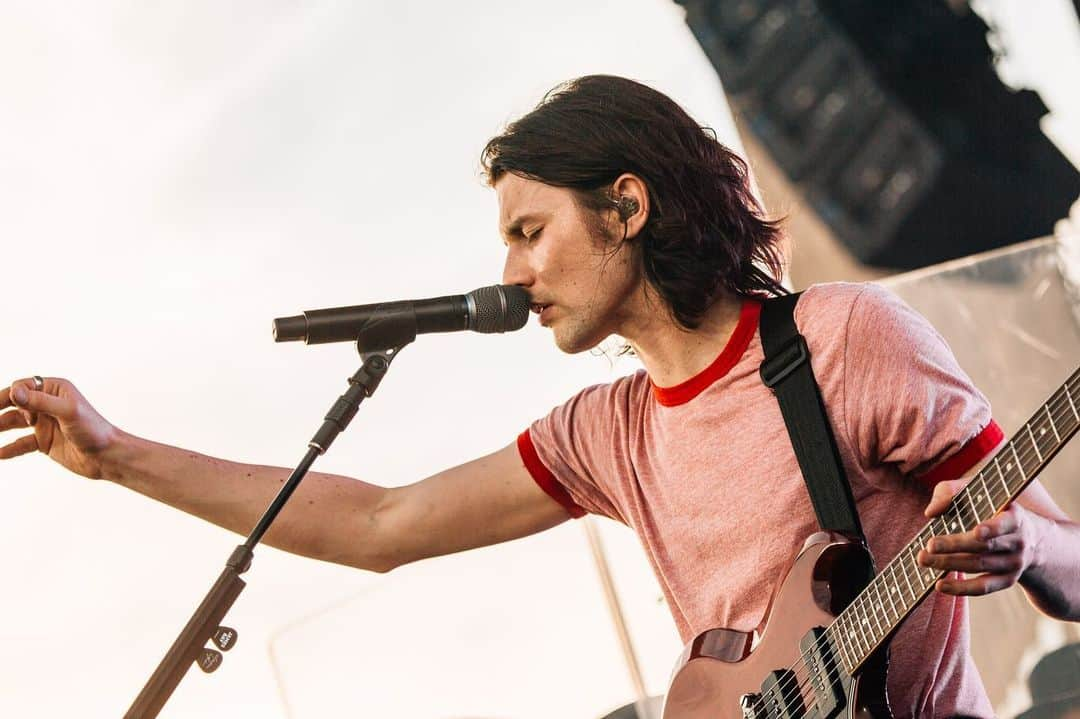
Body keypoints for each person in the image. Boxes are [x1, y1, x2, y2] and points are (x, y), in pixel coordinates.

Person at [2, 75, 1078, 717]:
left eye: (529, 231)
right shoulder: (604, 432)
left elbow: (1069, 559)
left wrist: (1026, 552)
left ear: (626, 206)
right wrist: (116, 453)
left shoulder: (848, 340)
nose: (514, 274)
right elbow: (380, 520)